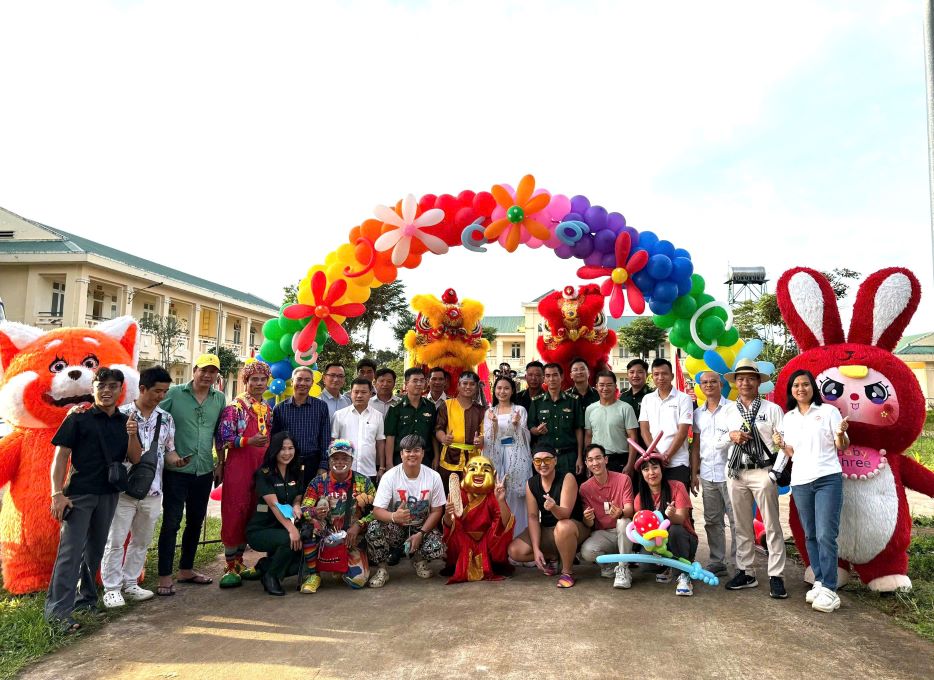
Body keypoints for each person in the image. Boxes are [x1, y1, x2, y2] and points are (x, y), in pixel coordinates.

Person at [45, 368, 142, 631]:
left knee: (95, 551)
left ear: (120, 390)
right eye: (101, 386)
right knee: (71, 552)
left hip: (108, 494)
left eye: (112, 386)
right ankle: (58, 613)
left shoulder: (125, 421)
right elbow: (61, 456)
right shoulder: (78, 418)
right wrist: (57, 494)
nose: (106, 391)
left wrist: (132, 433)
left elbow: (135, 458)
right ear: (93, 388)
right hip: (79, 494)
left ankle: (85, 601)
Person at [101, 366, 182, 609]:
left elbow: (168, 451)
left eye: (165, 391)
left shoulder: (166, 418)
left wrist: (178, 461)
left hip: (153, 489)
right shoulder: (120, 414)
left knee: (141, 540)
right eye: (157, 391)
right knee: (116, 540)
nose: (161, 396)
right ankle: (111, 588)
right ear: (143, 388)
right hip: (123, 491)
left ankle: (131, 582)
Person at [777, 369, 849, 613]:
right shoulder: (789, 418)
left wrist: (841, 434)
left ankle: (830, 588)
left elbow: (842, 444)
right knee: (810, 534)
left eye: (805, 384)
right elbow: (793, 453)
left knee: (825, 534)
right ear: (791, 390)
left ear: (812, 388)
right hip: (800, 481)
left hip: (827, 478)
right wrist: (782, 446)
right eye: (796, 385)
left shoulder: (828, 411)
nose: (800, 389)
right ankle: (819, 580)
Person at [717, 358, 787, 599]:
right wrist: (731, 436)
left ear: (759, 382)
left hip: (763, 471)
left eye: (750, 378)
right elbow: (716, 443)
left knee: (771, 524)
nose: (745, 382)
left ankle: (776, 575)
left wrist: (775, 473)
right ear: (735, 383)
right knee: (741, 525)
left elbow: (784, 445)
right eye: (740, 378)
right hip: (736, 472)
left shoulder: (772, 410)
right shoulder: (727, 410)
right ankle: (746, 572)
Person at [157, 353, 227, 596]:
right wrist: (169, 452)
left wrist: (221, 463)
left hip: (204, 469)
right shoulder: (175, 394)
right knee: (172, 522)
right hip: (176, 469)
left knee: (196, 521)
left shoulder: (219, 399)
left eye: (212, 372)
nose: (207, 376)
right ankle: (164, 575)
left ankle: (186, 569)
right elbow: (157, 420)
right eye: (203, 370)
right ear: (194, 370)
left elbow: (220, 433)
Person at [216, 360, 274, 588]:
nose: (259, 384)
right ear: (246, 381)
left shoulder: (268, 408)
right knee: (235, 511)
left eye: (262, 379)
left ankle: (240, 561)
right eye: (254, 380)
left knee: (252, 510)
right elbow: (223, 438)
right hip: (239, 467)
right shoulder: (235, 407)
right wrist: (248, 440)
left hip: (260, 468)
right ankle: (230, 564)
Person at [366, 434, 446, 588]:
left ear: (423, 453)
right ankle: (382, 569)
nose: (412, 454)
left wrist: (421, 534)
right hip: (395, 526)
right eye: (407, 451)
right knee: (374, 528)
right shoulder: (390, 477)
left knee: (437, 546)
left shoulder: (433, 477)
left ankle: (419, 559)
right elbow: (377, 511)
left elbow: (437, 511)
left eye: (416, 450)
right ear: (401, 454)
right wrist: (393, 516)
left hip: (420, 526)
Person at [507, 443, 589, 588]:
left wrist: (553, 507)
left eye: (547, 460)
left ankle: (567, 572)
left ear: (555, 461)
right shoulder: (531, 483)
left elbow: (565, 514)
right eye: (538, 461)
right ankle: (552, 557)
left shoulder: (567, 477)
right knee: (515, 551)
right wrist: (536, 548)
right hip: (548, 530)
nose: (542, 464)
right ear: (533, 463)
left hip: (573, 528)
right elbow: (532, 517)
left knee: (563, 527)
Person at [299, 439, 376, 592]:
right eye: (335, 458)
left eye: (345, 458)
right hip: (325, 537)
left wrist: (359, 524)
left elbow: (378, 510)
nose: (340, 462)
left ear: (351, 460)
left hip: (352, 538)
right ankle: (314, 574)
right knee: (309, 527)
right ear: (329, 460)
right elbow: (304, 508)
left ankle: (340, 565)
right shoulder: (318, 482)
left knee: (357, 582)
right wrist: (315, 512)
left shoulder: (363, 482)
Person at [689, 371, 736, 577]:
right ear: (700, 386)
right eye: (704, 382)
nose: (708, 385)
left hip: (731, 473)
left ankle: (739, 562)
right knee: (712, 520)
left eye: (713, 382)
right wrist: (694, 474)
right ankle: (718, 560)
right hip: (708, 474)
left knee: (736, 521)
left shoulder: (732, 409)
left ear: (721, 384)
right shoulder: (698, 413)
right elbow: (696, 446)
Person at [245, 432, 303, 596]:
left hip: (283, 527)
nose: (287, 453)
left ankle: (266, 565)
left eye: (290, 448)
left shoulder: (296, 471)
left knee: (304, 554)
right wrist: (292, 529)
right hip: (261, 530)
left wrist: (297, 505)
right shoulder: (264, 474)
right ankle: (271, 577)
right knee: (289, 540)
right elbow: (274, 505)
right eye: (282, 449)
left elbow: (298, 496)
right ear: (274, 450)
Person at [634, 451, 698, 596]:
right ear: (642, 474)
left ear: (662, 469)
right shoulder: (640, 498)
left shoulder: (677, 486)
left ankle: (684, 574)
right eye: (646, 469)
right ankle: (666, 568)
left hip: (683, 539)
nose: (651, 472)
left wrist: (672, 515)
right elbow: (640, 531)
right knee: (644, 565)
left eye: (655, 467)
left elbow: (681, 519)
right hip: (658, 544)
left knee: (675, 529)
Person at [442, 455, 514, 583]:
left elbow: (505, 523)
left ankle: (496, 563)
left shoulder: (493, 493)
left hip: (486, 540)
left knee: (501, 529)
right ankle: (455, 564)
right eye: (473, 469)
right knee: (453, 530)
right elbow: (449, 524)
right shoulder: (459, 492)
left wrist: (501, 500)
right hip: (463, 539)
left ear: (493, 473)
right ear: (465, 472)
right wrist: (448, 513)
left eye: (486, 470)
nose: (479, 473)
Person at [579, 444, 635, 589]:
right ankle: (610, 566)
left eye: (598, 458)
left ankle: (623, 568)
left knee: (624, 522)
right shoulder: (585, 488)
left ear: (606, 460)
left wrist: (620, 513)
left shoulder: (623, 479)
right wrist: (587, 517)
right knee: (587, 551)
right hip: (604, 534)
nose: (595, 463)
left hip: (623, 532)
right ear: (586, 463)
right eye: (590, 460)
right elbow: (589, 524)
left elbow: (630, 508)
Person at [482, 376, 533, 536]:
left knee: (517, 496)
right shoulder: (489, 412)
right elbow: (489, 439)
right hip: (497, 456)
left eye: (506, 388)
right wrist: (494, 424)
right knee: (499, 493)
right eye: (499, 388)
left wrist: (518, 424)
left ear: (512, 391)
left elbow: (525, 438)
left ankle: (520, 535)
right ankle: (501, 538)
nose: (502, 391)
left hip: (516, 456)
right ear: (494, 390)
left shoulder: (520, 410)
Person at [272, 366, 331, 487]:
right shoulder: (280, 409)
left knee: (310, 501)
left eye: (307, 380)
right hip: (287, 463)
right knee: (287, 502)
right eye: (299, 379)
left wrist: (323, 466)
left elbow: (325, 438)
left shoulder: (321, 407)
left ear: (312, 383)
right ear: (292, 381)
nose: (303, 383)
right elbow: (275, 440)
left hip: (312, 464)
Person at [638, 359, 693, 488]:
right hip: (654, 465)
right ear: (652, 376)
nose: (660, 377)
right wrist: (656, 455)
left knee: (680, 505)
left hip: (678, 463)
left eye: (664, 374)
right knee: (657, 506)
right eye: (656, 374)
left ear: (672, 376)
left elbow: (683, 431)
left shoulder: (684, 398)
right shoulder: (647, 399)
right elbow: (644, 429)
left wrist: (667, 455)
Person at [527, 363, 584, 479]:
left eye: (555, 375)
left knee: (570, 491)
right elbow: (531, 427)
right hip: (546, 458)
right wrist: (537, 431)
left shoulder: (573, 400)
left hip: (569, 457)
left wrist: (579, 457)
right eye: (548, 376)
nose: (551, 379)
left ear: (561, 377)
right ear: (544, 379)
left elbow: (578, 429)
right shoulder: (537, 402)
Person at [331, 378, 386, 485]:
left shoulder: (378, 416)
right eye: (356, 392)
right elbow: (333, 441)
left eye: (364, 392)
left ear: (370, 394)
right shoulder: (339, 415)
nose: (359, 395)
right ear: (350, 393)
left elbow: (380, 443)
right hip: (343, 471)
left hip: (369, 471)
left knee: (366, 501)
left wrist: (382, 468)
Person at [435, 371, 485, 487]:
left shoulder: (481, 410)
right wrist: (443, 438)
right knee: (449, 495)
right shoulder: (447, 405)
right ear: (458, 385)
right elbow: (438, 428)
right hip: (449, 457)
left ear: (477, 387)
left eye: (472, 384)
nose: (468, 387)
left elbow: (484, 433)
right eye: (465, 383)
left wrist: (481, 440)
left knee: (470, 495)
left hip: (473, 459)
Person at [585, 370, 639, 474]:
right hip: (597, 461)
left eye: (609, 385)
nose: (605, 388)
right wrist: (588, 463)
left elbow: (633, 438)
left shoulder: (626, 408)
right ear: (596, 387)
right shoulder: (590, 409)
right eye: (601, 385)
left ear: (615, 386)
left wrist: (630, 464)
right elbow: (588, 436)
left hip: (620, 460)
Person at [385, 368, 438, 469]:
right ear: (406, 383)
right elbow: (390, 437)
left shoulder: (430, 407)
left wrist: (436, 456)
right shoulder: (396, 408)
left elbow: (433, 434)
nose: (419, 384)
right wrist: (389, 463)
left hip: (425, 458)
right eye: (415, 381)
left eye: (422, 380)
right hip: (401, 459)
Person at [620, 358, 653, 449]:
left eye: (640, 372)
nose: (635, 375)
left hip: (648, 447)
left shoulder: (653, 396)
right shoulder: (622, 397)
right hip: (626, 447)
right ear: (627, 375)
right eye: (631, 372)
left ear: (647, 375)